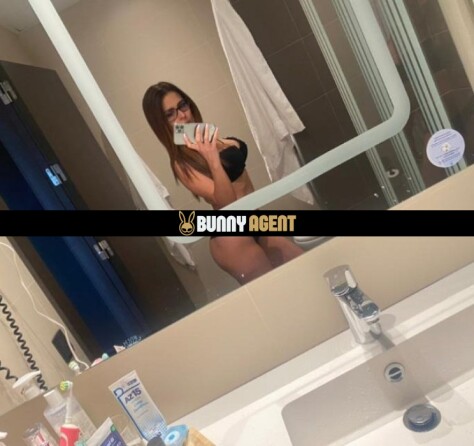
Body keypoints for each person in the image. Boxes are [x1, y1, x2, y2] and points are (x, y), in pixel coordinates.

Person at [142, 81, 303, 284]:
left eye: (182, 105)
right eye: (170, 114)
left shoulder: (209, 140)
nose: (182, 115)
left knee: (303, 268)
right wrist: (213, 160)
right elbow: (226, 204)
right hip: (232, 237)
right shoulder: (182, 163)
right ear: (161, 124)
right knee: (276, 290)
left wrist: (215, 147)